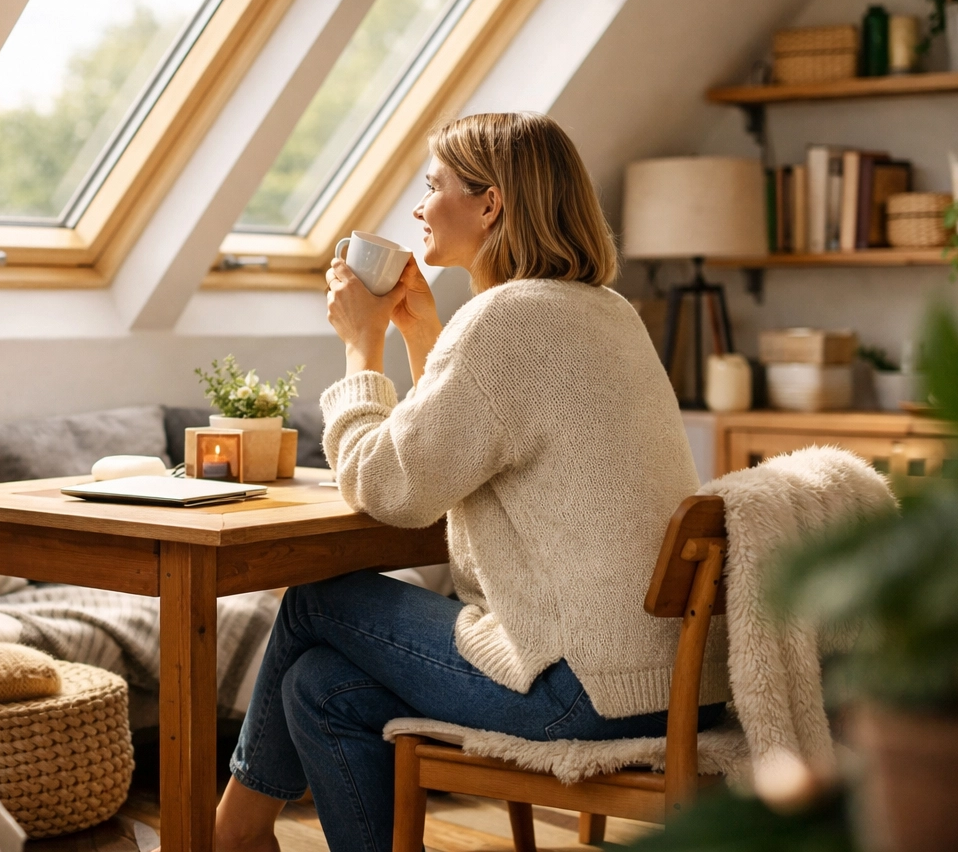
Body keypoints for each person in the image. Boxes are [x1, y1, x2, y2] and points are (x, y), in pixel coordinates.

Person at [212, 112, 726, 852]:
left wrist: (364, 346)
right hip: (674, 689)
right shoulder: (606, 312)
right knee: (318, 687)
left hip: (584, 689)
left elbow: (390, 488)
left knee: (315, 599)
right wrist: (426, 338)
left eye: (433, 186)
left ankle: (232, 833)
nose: (420, 207)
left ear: (490, 205)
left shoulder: (504, 322)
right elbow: (473, 451)